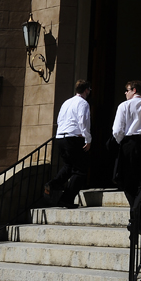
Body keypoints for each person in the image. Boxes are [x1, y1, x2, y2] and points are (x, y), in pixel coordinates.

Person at [45, 80, 91, 208]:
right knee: (80, 170)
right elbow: (83, 121)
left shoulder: (66, 102)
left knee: (69, 166)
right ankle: (67, 199)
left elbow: (60, 119)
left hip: (61, 137)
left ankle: (52, 184)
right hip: (73, 138)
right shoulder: (83, 103)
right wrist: (88, 139)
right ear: (86, 90)